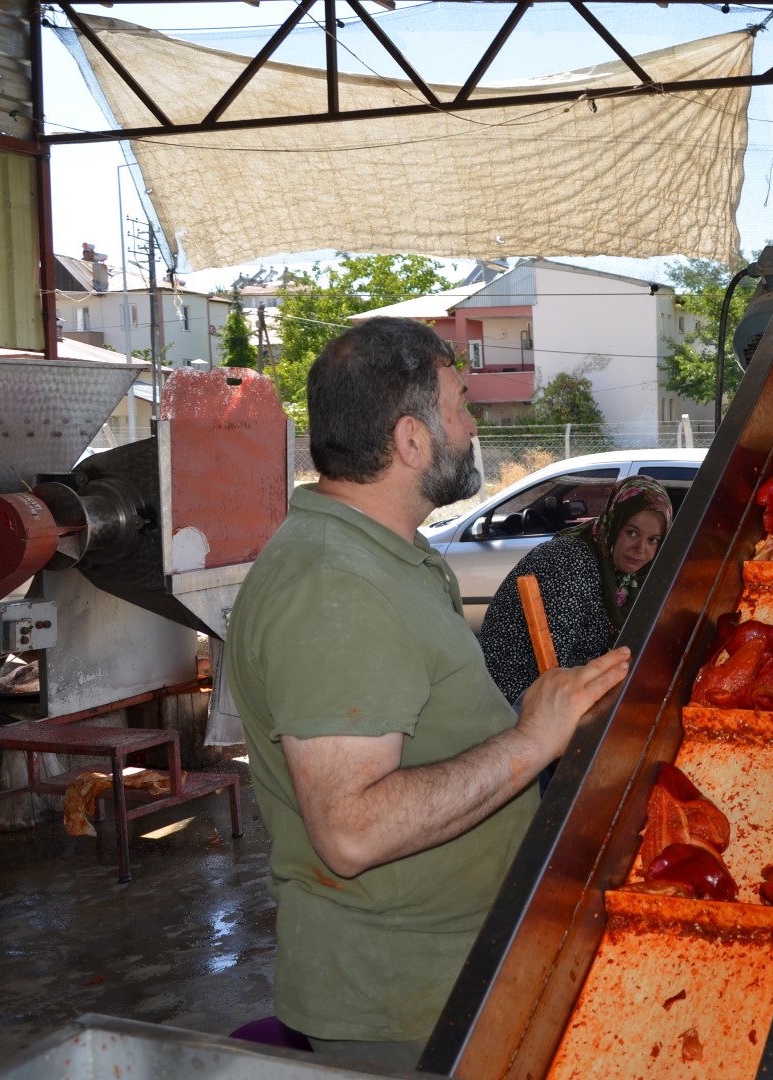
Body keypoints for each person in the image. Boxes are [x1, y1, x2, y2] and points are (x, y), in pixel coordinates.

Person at [225, 318, 629, 1069]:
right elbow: (352, 831)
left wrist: (551, 722)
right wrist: (529, 741)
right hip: (402, 996)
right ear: (411, 441)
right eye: (459, 405)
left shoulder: (391, 555)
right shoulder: (334, 585)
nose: (472, 426)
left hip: (454, 965)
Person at [478, 476, 673, 707]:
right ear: (613, 522)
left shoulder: (623, 574)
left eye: (653, 540)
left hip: (562, 689)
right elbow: (551, 667)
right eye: (632, 532)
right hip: (514, 698)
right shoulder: (569, 563)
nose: (641, 549)